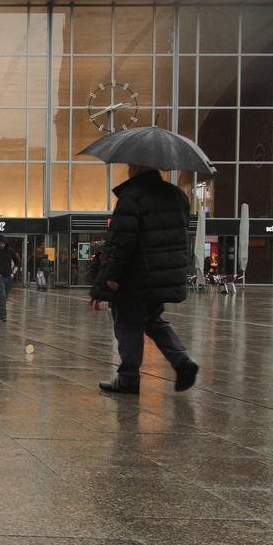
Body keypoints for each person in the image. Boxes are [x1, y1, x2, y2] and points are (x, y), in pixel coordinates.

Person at [88, 165, 199, 394]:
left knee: (127, 325)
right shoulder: (177, 195)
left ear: (139, 168)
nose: (128, 170)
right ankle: (182, 361)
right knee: (153, 321)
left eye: (130, 166)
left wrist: (111, 275)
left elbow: (122, 241)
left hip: (135, 275)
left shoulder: (132, 197)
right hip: (162, 276)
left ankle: (128, 378)